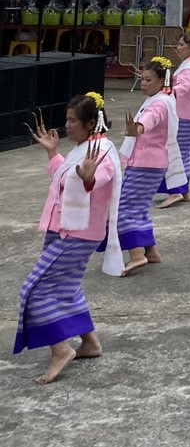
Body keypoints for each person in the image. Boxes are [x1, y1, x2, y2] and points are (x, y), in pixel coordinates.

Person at [15, 93, 124, 384]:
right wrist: (53, 153)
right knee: (68, 288)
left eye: (73, 121)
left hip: (76, 235)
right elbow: (67, 178)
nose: (67, 126)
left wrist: (90, 178)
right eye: (67, 119)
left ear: (91, 122)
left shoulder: (103, 149)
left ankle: (61, 349)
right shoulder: (82, 148)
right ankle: (90, 343)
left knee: (33, 291)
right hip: (62, 229)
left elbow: (98, 178)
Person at [117, 57, 186, 275]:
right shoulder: (164, 98)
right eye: (142, 79)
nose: (143, 83)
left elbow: (149, 120)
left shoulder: (158, 104)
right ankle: (151, 251)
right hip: (154, 163)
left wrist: (136, 129)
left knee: (123, 208)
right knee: (140, 208)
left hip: (145, 164)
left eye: (148, 80)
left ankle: (136, 254)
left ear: (160, 81)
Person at [158, 30, 190, 205]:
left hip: (183, 116)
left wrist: (167, 91)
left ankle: (177, 190)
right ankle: (184, 189)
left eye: (181, 45)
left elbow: (184, 87)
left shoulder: (189, 67)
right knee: (183, 154)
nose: (177, 48)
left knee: (175, 153)